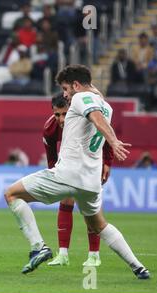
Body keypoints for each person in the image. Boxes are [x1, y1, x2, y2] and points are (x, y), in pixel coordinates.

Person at [4, 64, 150, 279]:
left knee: (11, 194)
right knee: (99, 224)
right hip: (91, 181)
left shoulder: (81, 98)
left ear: (75, 85)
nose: (64, 94)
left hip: (68, 174)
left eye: (65, 88)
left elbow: (95, 117)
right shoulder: (106, 105)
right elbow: (98, 107)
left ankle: (39, 247)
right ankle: (138, 267)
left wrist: (114, 141)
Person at [43, 92, 114, 267]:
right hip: (71, 164)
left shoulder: (86, 118)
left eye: (65, 114)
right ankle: (63, 255)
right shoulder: (50, 128)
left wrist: (107, 162)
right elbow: (51, 157)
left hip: (91, 163)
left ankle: (94, 255)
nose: (61, 119)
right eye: (57, 114)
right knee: (66, 200)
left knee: (90, 208)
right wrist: (55, 173)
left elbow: (104, 134)